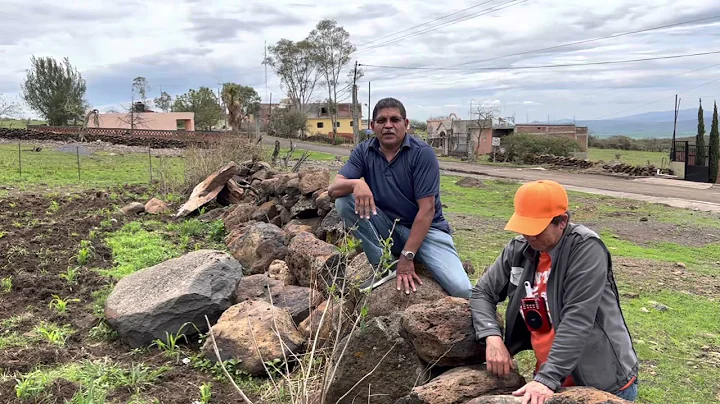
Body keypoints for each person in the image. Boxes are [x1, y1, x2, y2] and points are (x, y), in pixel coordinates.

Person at [470, 180, 639, 404]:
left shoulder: (586, 249)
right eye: (525, 227)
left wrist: (546, 379)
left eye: (537, 230)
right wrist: (491, 336)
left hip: (602, 383)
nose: (530, 237)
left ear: (562, 222)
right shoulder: (520, 249)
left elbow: (577, 319)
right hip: (551, 381)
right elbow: (482, 292)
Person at [328, 97, 472, 298]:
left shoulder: (422, 154)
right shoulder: (364, 151)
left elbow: (427, 210)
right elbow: (333, 189)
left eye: (395, 120)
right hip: (390, 227)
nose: (388, 126)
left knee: (462, 290)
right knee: (345, 200)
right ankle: (384, 265)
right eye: (381, 121)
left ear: (406, 124)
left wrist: (408, 255)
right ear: (372, 126)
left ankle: (488, 323)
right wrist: (356, 183)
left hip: (428, 232)